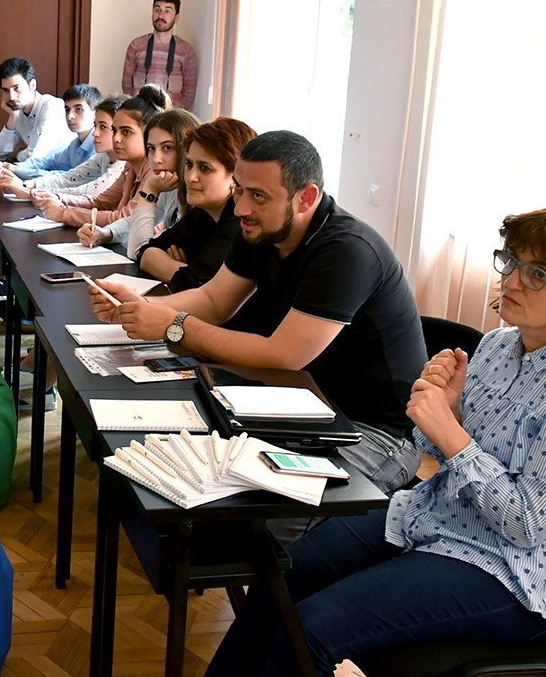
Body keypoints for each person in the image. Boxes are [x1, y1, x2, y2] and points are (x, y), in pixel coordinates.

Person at [205, 205, 546, 676]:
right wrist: (448, 414)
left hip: (521, 573)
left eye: (537, 274)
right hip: (441, 516)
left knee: (313, 626)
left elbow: (526, 523)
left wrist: (452, 433)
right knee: (279, 577)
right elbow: (441, 449)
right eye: (512, 261)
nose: (512, 280)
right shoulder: (500, 346)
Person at [90, 130, 426, 492]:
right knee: (184, 464)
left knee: (247, 498)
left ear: (306, 198)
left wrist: (175, 325)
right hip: (300, 403)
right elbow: (213, 301)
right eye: (239, 190)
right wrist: (141, 307)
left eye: (258, 196)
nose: (241, 209)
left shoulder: (347, 251)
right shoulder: (261, 227)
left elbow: (284, 355)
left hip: (373, 431)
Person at [36, 85, 169, 245]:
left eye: (126, 132)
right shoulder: (130, 166)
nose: (116, 138)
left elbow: (123, 218)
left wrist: (64, 213)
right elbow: (101, 201)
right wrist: (58, 198)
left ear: (149, 135)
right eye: (114, 130)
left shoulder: (155, 171)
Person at [138, 117, 255, 291]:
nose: (191, 177)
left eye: (205, 168)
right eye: (189, 164)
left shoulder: (240, 222)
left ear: (236, 177)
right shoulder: (203, 212)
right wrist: (185, 271)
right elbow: (145, 253)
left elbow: (197, 284)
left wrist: (180, 271)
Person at [105, 107, 201, 258]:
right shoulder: (169, 185)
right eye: (151, 148)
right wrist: (106, 233)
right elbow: (138, 221)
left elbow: (137, 251)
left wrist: (150, 190)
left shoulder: (198, 196)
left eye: (167, 148)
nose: (156, 159)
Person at [21, 94, 129, 201]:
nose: (95, 133)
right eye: (96, 126)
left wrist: (34, 192)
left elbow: (90, 192)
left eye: (103, 127)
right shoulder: (102, 156)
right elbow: (70, 177)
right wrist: (29, 185)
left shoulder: (123, 163)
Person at [0, 84, 101, 192]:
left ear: (95, 114)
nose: (70, 116)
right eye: (67, 109)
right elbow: (48, 162)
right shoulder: (75, 145)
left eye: (78, 109)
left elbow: (70, 178)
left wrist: (18, 171)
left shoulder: (99, 147)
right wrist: (14, 167)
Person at [121, 0, 199, 111]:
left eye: (167, 11)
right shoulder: (136, 46)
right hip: (140, 113)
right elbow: (126, 86)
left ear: (176, 17)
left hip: (170, 116)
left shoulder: (186, 51)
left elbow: (189, 93)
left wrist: (174, 114)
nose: (161, 15)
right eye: (157, 10)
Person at [0, 57, 71, 163]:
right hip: (41, 169)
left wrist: (17, 155)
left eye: (16, 88)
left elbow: (35, 155)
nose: (11, 97)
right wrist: (13, 117)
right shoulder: (18, 111)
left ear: (32, 85)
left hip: (67, 169)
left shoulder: (52, 106)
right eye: (5, 90)